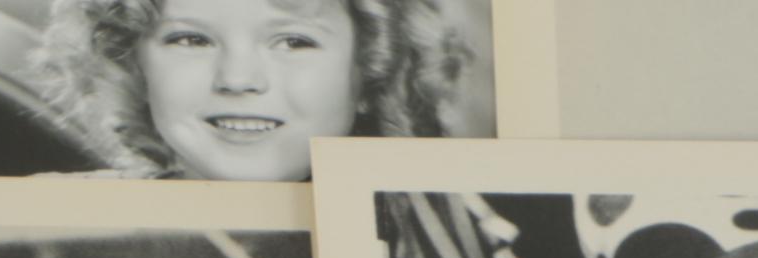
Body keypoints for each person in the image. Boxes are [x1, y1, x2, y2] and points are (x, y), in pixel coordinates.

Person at [34, 0, 470, 180]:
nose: (238, 79)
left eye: (294, 42)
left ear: (373, 68)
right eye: (192, 40)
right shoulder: (60, 216)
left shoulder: (451, 248)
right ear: (133, 66)